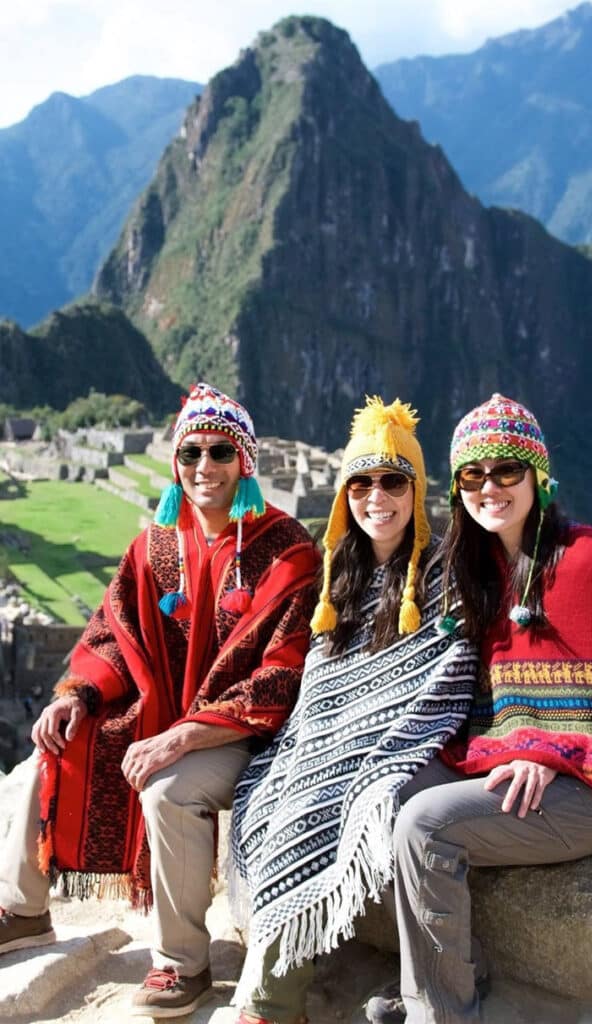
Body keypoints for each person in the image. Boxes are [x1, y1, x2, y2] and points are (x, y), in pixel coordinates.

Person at [0, 382, 320, 1019]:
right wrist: (77, 694)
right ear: (177, 462)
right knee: (57, 742)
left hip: (251, 736)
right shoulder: (156, 547)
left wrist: (184, 735)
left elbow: (281, 677)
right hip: (165, 718)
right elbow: (114, 638)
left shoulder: (288, 554)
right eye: (192, 453)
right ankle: (24, 909)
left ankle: (182, 961)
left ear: (245, 462)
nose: (205, 468)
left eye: (221, 453)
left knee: (167, 787)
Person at [371, 393, 592, 1024]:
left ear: (537, 475)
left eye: (506, 471)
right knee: (386, 791)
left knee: (425, 826)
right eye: (473, 475)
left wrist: (549, 750)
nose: (490, 488)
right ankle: (453, 974)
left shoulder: (588, 561)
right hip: (522, 767)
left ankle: (441, 1013)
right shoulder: (482, 569)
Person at [230, 397, 478, 1024]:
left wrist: (374, 747)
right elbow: (322, 686)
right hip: (329, 738)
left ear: (416, 490)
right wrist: (318, 742)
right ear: (345, 494)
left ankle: (269, 1005)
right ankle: (273, 982)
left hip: (412, 745)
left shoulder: (447, 574)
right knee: (276, 791)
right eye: (362, 483)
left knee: (326, 798)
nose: (377, 497)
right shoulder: (340, 574)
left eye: (394, 482)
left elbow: (446, 678)